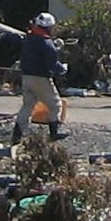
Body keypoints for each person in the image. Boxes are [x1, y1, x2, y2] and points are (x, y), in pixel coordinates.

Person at [13, 12, 66, 143]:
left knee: (28, 106)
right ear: (49, 27)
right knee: (55, 104)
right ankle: (54, 133)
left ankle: (17, 135)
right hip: (40, 78)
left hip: (26, 77)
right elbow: (51, 64)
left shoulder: (29, 39)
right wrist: (62, 68)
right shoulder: (46, 43)